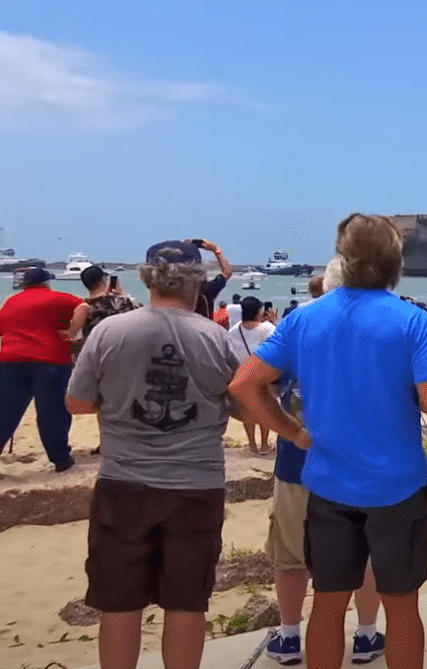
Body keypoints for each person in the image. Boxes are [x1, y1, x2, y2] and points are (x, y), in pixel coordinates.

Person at [228, 213, 427, 669]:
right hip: (397, 485)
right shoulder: (412, 320)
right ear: (394, 263)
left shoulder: (305, 320)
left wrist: (292, 432)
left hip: (327, 482)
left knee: (327, 604)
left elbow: (244, 384)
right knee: (402, 606)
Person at [64, 241, 246, 669]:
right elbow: (240, 405)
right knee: (186, 603)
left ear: (147, 278)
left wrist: (119, 403)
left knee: (119, 603)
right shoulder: (214, 337)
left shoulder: (110, 332)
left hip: (123, 483)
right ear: (197, 280)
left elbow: (76, 402)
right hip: (196, 486)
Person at [262, 262, 386, 666]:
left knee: (291, 555)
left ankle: (290, 636)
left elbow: (255, 384)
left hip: (300, 461)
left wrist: (285, 428)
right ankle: (366, 634)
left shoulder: (296, 325)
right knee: (364, 553)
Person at [0, 267, 85, 472]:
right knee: (52, 411)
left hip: (11, 358)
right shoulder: (56, 298)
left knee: (6, 410)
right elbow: (84, 306)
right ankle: (60, 459)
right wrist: (72, 331)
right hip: (50, 359)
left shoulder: (11, 301)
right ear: (46, 283)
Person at [224, 296, 277, 455]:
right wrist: (273, 321)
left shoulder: (234, 330)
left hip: (241, 374)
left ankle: (252, 444)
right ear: (259, 312)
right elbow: (278, 343)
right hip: (262, 375)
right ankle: (264, 445)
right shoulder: (266, 328)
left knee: (247, 410)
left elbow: (230, 353)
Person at [70, 265, 142, 347]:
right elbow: (141, 312)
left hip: (93, 350)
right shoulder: (121, 302)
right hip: (120, 348)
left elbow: (73, 334)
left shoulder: (83, 307)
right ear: (103, 280)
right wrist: (123, 294)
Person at [190, 239, 234, 319]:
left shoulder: (174, 287)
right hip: (204, 328)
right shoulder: (207, 289)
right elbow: (227, 272)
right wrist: (216, 250)